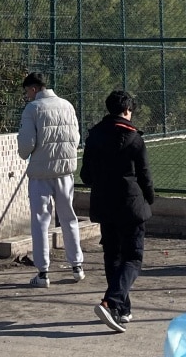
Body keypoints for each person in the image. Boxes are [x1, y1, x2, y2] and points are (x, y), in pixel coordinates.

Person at [80, 90, 154, 333]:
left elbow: (86, 175)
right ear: (126, 111)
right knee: (133, 258)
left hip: (104, 203)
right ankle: (110, 301)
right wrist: (149, 198)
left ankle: (122, 309)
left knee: (113, 256)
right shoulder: (134, 138)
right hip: (131, 205)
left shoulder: (94, 136)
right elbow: (144, 175)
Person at [17, 72, 84, 287]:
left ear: (34, 89)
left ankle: (43, 272)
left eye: (27, 91)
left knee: (40, 221)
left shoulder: (33, 109)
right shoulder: (67, 105)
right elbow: (75, 137)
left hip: (40, 173)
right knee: (69, 218)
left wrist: (24, 152)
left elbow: (26, 143)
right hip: (65, 171)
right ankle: (77, 266)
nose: (27, 96)